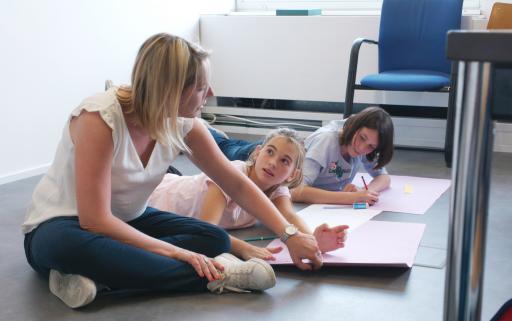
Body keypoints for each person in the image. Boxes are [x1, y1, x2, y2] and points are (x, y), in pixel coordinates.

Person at [22, 33, 322, 309]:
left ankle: (99, 280)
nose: (212, 92)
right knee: (68, 248)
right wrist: (177, 252)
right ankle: (220, 275)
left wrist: (289, 234)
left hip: (130, 221)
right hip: (64, 226)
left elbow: (237, 184)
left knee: (215, 239)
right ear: (174, 90)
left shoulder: (186, 123)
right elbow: (95, 220)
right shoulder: (98, 119)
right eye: (202, 86)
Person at [149, 128, 349, 261]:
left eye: (284, 161)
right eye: (270, 152)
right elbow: (207, 231)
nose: (272, 163)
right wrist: (241, 247)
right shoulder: (232, 175)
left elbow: (289, 217)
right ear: (257, 152)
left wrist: (312, 240)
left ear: (293, 175)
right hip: (155, 195)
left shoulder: (277, 188)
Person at [291, 107, 394, 205]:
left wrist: (365, 192)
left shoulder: (366, 144)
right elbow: (295, 190)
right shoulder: (325, 141)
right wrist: (351, 198)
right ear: (354, 127)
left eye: (371, 146)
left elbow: (384, 177)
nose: (362, 148)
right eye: (362, 138)